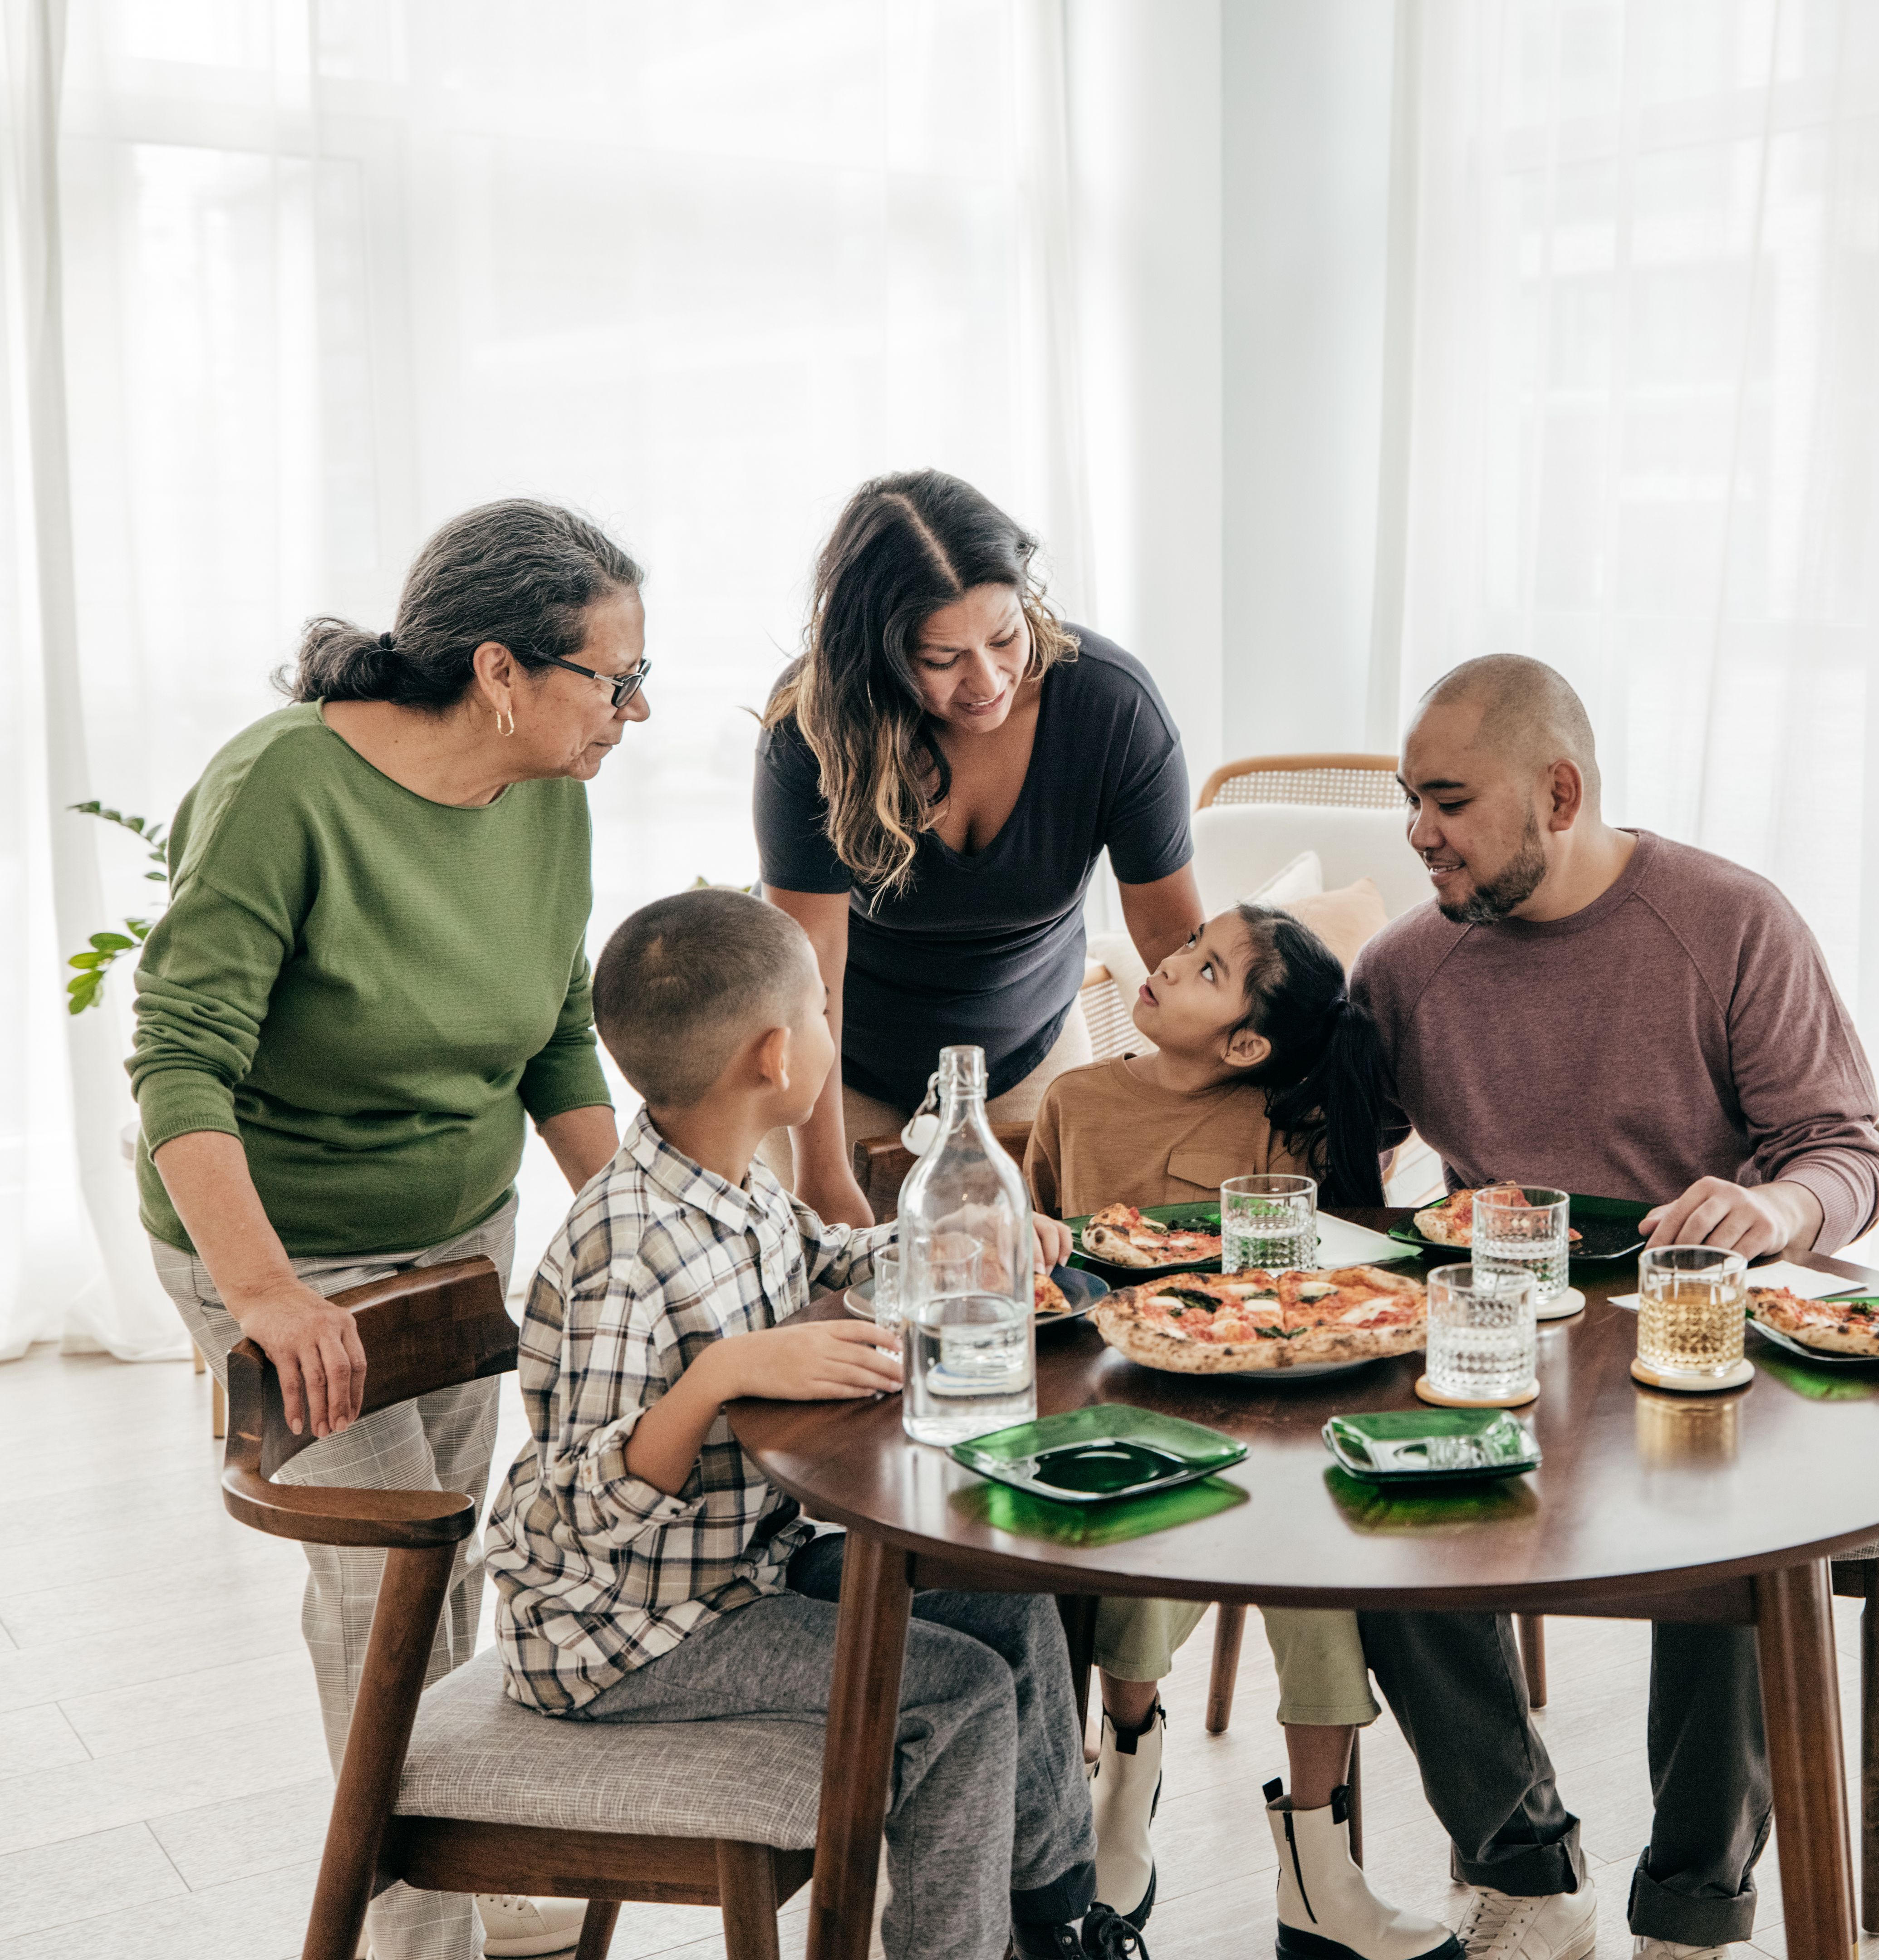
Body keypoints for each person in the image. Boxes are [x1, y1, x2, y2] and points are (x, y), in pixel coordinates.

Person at [131, 500, 650, 1960]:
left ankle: (448, 1860)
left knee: (450, 1564)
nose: (635, 709)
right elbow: (179, 1057)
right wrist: (267, 1300)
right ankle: (416, 1933)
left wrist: (626, 1220)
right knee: (382, 1594)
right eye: (613, 678)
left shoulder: (551, 789)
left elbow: (553, 1034)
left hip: (454, 1236)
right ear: (500, 671)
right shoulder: (284, 787)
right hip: (279, 1250)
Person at [1347, 656, 1879, 1960]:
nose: (1418, 834)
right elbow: (1333, 1184)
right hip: (1494, 1337)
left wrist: (1773, 1213)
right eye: (1409, 802)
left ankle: (1692, 1911)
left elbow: (1842, 1148)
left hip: (1701, 1334)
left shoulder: (1727, 922)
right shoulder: (1402, 968)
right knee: (1369, 1510)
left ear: (1559, 790)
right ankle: (1522, 1871)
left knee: (1750, 1536)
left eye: (1447, 802)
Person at [481, 889, 1130, 1960]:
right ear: (777, 1056)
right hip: (627, 1635)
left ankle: (1054, 1922)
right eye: (827, 1011)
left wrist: (973, 1234)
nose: (838, 1033)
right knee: (958, 1692)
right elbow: (569, 1512)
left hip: (745, 1567)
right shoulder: (622, 1249)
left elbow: (830, 1257)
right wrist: (718, 1378)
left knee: (1014, 1610)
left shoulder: (728, 1185)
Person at [1025, 905, 1455, 1960]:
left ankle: (1319, 1869)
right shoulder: (1074, 1099)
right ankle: (1123, 1792)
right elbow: (1039, 1269)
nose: (1168, 962)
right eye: (1185, 949)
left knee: (1318, 1576)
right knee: (1139, 1558)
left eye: (1205, 968)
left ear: (1248, 1044)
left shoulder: (1279, 1128)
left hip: (1272, 1410)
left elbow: (1332, 1271)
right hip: (1122, 1405)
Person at [754, 470, 1206, 1224]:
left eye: (1004, 638)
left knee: (1037, 1292)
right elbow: (811, 962)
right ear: (878, 653)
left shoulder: (1110, 705)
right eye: (942, 659)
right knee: (856, 1312)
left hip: (1027, 1050)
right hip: (837, 1064)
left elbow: (1170, 935)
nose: (988, 680)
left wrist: (1217, 1094)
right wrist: (825, 1171)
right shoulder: (814, 724)